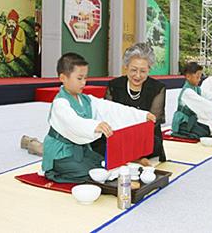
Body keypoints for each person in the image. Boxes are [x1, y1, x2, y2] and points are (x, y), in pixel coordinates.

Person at [42, 53, 155, 183]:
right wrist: (94, 126)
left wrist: (142, 115)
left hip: (81, 149)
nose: (83, 83)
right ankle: (52, 171)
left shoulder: (86, 99)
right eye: (79, 78)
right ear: (63, 78)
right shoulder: (60, 103)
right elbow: (73, 123)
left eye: (85, 78)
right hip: (61, 153)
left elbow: (112, 109)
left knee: (102, 165)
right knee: (88, 173)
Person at [104, 43, 166, 164]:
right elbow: (108, 115)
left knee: (153, 141)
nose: (137, 75)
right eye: (133, 70)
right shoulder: (115, 86)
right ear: (126, 67)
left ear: (149, 69)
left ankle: (137, 158)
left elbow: (152, 122)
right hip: (119, 136)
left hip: (145, 139)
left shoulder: (157, 88)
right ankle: (134, 159)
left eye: (143, 71)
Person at [172, 62, 212, 138]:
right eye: (197, 77)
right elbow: (203, 103)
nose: (199, 79)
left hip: (192, 119)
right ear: (188, 77)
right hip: (183, 122)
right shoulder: (187, 92)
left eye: (200, 77)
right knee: (205, 130)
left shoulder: (197, 89)